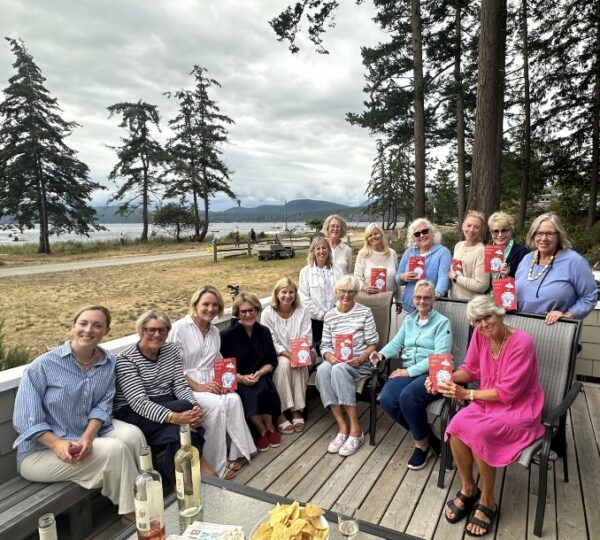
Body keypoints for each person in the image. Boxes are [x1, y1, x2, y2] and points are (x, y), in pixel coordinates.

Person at [13, 306, 145, 521]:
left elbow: (103, 404)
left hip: (82, 432)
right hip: (40, 452)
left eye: (97, 325)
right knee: (115, 449)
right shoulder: (42, 366)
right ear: (73, 326)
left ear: (106, 331)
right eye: (83, 323)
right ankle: (132, 513)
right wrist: (57, 443)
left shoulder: (108, 362)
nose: (88, 329)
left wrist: (87, 438)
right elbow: (25, 420)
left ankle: (142, 497)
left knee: (134, 436)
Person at [427, 295, 544, 537]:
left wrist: (467, 393)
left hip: (518, 407)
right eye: (477, 321)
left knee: (480, 432)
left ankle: (488, 500)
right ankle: (469, 488)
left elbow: (508, 393)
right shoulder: (480, 336)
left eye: (487, 317)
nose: (482, 324)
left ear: (499, 313)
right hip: (486, 400)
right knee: (457, 423)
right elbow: (470, 369)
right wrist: (444, 379)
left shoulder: (521, 342)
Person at [114, 309, 214, 486]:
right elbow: (139, 402)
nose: (157, 334)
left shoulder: (172, 351)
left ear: (168, 332)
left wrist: (194, 406)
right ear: (141, 331)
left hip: (166, 403)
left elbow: (180, 385)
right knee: (184, 428)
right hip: (133, 412)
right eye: (150, 330)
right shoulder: (126, 359)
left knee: (185, 419)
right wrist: (175, 417)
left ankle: (176, 479)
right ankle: (199, 475)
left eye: (162, 330)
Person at [168, 286, 256, 480]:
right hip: (185, 385)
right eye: (205, 304)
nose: (210, 309)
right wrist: (198, 386)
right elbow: (173, 367)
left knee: (233, 398)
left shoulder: (214, 331)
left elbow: (219, 360)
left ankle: (236, 453)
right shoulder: (180, 329)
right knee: (215, 407)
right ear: (195, 305)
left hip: (211, 381)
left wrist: (230, 379)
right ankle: (216, 465)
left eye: (215, 305)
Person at [370, 280, 451, 470]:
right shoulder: (409, 320)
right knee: (388, 398)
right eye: (418, 297)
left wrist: (407, 371)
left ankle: (421, 446)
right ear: (413, 299)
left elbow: (439, 356)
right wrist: (381, 354)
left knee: (408, 397)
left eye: (426, 297)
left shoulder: (442, 323)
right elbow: (397, 343)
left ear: (433, 300)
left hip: (432, 372)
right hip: (408, 370)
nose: (422, 301)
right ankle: (428, 437)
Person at [316, 276, 379, 457]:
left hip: (359, 363)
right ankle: (342, 426)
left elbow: (373, 342)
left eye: (351, 291)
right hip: (337, 360)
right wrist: (329, 356)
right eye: (343, 291)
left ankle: (356, 430)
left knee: (338, 369)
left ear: (356, 293)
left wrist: (362, 357)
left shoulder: (365, 312)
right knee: (322, 370)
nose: (346, 295)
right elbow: (325, 345)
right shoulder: (330, 315)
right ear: (336, 292)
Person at [220, 293, 282, 452]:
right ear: (237, 314)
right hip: (239, 378)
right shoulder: (226, 336)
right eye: (243, 311)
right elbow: (224, 367)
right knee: (249, 392)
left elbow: (271, 361)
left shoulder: (264, 331)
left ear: (257, 310)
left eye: (252, 310)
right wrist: (240, 378)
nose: (248, 314)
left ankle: (270, 427)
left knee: (265, 387)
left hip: (261, 374)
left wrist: (260, 373)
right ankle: (261, 430)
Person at [515, 212, 597, 324]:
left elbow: (590, 297)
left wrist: (567, 315)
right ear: (533, 235)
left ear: (559, 236)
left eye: (549, 234)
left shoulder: (574, 261)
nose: (544, 238)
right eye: (539, 233)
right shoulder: (526, 260)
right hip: (524, 329)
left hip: (556, 331)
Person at [261, 277, 312, 434]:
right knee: (283, 364)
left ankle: (297, 410)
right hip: (277, 354)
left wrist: (298, 357)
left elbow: (307, 337)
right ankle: (281, 413)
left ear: (296, 294)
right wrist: (291, 356)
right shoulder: (267, 313)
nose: (288, 296)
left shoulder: (302, 311)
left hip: (303, 353)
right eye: (284, 292)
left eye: (291, 292)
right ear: (277, 294)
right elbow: (272, 341)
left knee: (300, 365)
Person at [396, 218, 451, 314]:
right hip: (409, 306)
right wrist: (403, 277)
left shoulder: (442, 252)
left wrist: (436, 294)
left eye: (425, 231)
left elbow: (444, 276)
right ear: (413, 238)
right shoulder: (409, 252)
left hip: (432, 307)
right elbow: (397, 278)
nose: (422, 235)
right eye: (417, 234)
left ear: (432, 233)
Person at [298, 236, 344, 349]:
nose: (321, 251)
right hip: (316, 320)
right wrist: (320, 314)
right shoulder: (305, 272)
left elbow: (343, 292)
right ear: (313, 251)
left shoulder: (338, 270)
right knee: (320, 350)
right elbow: (304, 297)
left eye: (324, 248)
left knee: (338, 348)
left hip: (337, 317)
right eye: (318, 248)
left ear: (329, 251)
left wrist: (335, 311)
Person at [449, 210, 490, 300]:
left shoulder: (482, 251)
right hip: (452, 300)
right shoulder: (458, 246)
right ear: (463, 226)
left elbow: (482, 285)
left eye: (476, 227)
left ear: (481, 230)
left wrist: (456, 278)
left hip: (470, 305)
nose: (471, 230)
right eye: (468, 225)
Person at [353, 223, 398, 296]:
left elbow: (396, 278)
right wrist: (364, 288)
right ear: (367, 239)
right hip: (368, 298)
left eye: (375, 233)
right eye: (370, 235)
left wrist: (399, 299)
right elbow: (357, 278)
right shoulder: (362, 254)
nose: (373, 237)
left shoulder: (392, 253)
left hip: (388, 299)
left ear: (381, 234)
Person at [487, 211, 529, 279]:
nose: (500, 235)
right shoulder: (486, 252)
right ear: (491, 233)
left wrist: (507, 278)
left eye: (504, 231)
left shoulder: (523, 254)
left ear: (511, 231)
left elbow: (525, 284)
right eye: (496, 231)